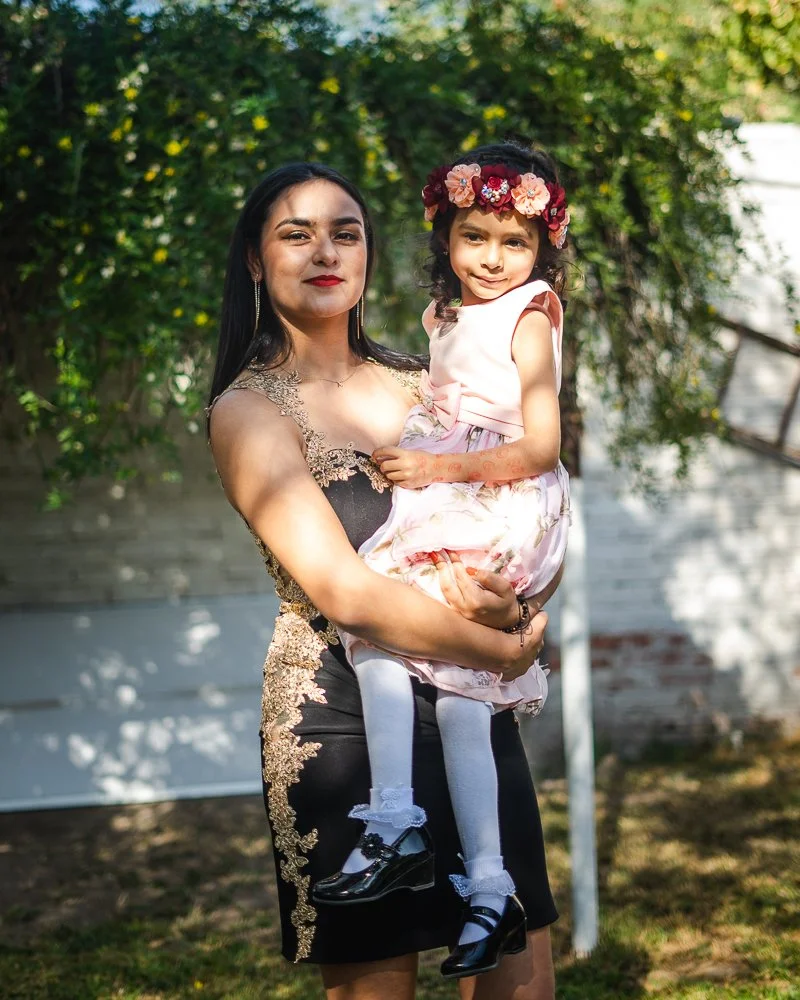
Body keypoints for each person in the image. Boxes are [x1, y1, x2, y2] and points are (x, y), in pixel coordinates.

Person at [207, 159, 560, 1000]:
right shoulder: (249, 411)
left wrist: (515, 604)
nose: (325, 250)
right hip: (345, 729)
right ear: (257, 261)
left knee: (522, 984)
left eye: (346, 232)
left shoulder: (429, 382)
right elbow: (348, 595)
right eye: (297, 233)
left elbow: (516, 512)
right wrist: (507, 651)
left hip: (469, 702)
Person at [312, 141, 571, 981]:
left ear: (542, 252)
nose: (493, 258)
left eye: (515, 242)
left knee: (377, 631)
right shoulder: (444, 319)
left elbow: (541, 443)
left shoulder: (530, 313)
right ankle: (489, 885)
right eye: (475, 236)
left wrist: (435, 468)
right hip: (464, 492)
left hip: (496, 494)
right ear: (445, 235)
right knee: (464, 692)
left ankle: (393, 817)